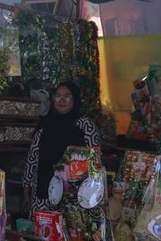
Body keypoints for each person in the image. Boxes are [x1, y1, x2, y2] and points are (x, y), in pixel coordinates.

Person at [22, 81, 101, 213]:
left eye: (67, 96)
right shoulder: (46, 124)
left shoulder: (85, 125)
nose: (62, 100)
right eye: (58, 96)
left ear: (74, 99)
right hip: (44, 194)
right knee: (45, 231)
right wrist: (26, 192)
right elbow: (32, 159)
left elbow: (95, 160)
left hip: (76, 197)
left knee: (69, 232)